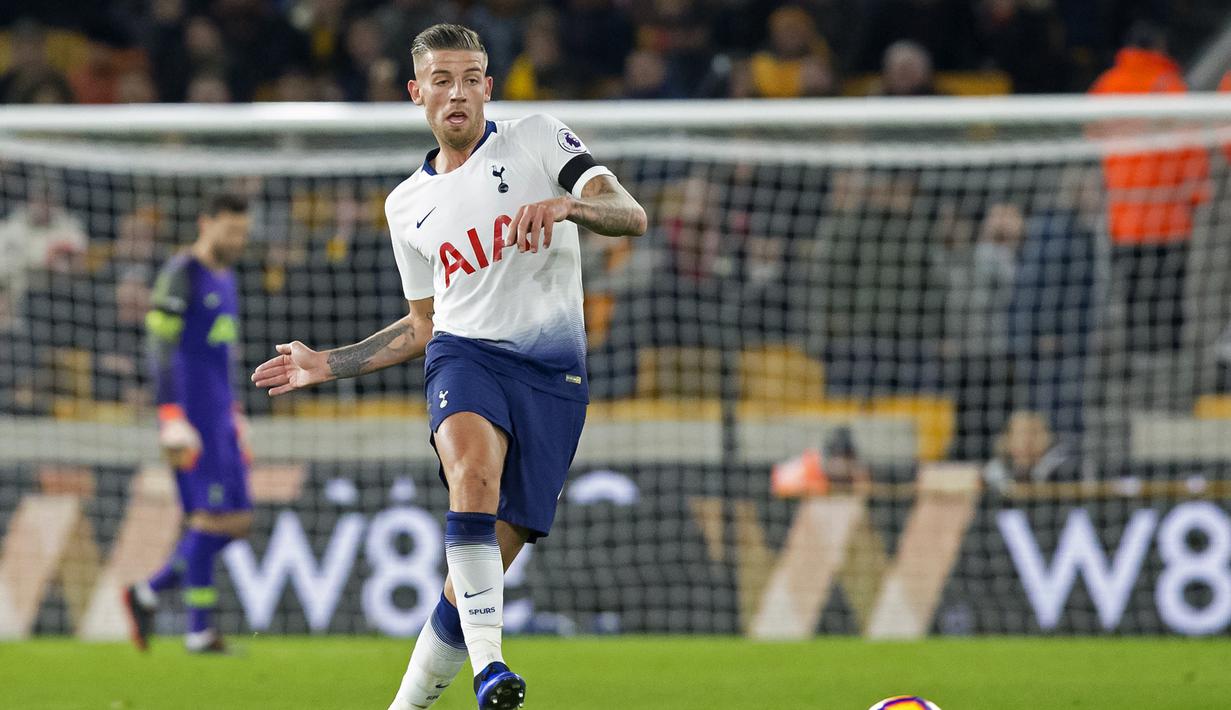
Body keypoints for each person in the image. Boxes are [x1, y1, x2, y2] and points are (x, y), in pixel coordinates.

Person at [249, 24, 646, 710]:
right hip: (464, 358)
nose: (456, 92)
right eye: (441, 80)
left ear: (488, 87)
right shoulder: (405, 206)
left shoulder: (537, 138)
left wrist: (568, 205)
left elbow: (630, 214)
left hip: (553, 380)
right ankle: (492, 669)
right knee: (470, 472)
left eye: (469, 79)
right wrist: (329, 364)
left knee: (465, 587)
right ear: (417, 93)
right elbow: (426, 325)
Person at [121, 191, 253, 654]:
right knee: (216, 518)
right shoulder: (182, 273)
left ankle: (152, 595)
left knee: (230, 520)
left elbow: (222, 357)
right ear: (206, 223)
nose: (238, 239)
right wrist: (171, 416)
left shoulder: (227, 277)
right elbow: (158, 349)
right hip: (191, 420)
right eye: (230, 231)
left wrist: (235, 413)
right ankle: (192, 626)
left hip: (219, 416)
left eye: (243, 232)